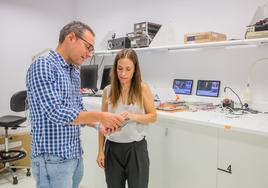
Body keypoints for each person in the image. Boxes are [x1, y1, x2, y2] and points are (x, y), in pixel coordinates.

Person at [26, 21, 126, 188]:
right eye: (88, 47)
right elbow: (55, 112)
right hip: (52, 158)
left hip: (73, 153)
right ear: (70, 37)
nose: (89, 54)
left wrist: (98, 125)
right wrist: (101, 116)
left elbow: (77, 110)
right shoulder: (43, 65)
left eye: (91, 50)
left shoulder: (73, 71)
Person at [96, 48, 157, 188]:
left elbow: (153, 116)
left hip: (136, 149)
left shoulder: (142, 88)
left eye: (128, 69)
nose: (123, 74)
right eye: (120, 68)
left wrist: (132, 116)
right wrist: (100, 150)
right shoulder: (108, 91)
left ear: (135, 69)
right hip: (112, 149)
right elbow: (102, 123)